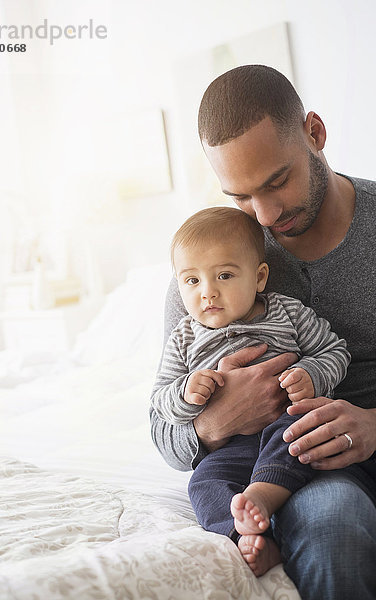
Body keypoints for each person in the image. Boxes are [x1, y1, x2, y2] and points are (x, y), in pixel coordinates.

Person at [150, 65, 376, 599]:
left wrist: (372, 423)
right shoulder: (211, 268)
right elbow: (162, 431)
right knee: (329, 524)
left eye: (277, 182)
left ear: (314, 134)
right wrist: (212, 425)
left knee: (332, 521)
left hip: (344, 446)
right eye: (242, 197)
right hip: (283, 464)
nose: (266, 214)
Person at [151, 206, 351, 576]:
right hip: (232, 447)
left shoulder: (287, 312)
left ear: (259, 278)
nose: (207, 293)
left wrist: (310, 373)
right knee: (203, 483)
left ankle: (262, 493)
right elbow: (160, 401)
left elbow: (334, 350)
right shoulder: (183, 338)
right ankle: (244, 537)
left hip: (286, 424)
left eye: (224, 275)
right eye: (191, 281)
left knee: (299, 435)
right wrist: (185, 393)